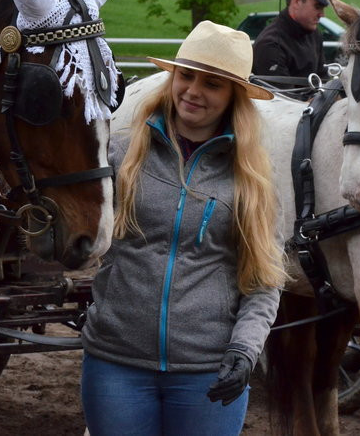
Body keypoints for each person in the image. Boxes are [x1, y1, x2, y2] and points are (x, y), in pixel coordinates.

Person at [81, 21, 286, 435]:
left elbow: (264, 280)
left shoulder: (250, 178)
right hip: (115, 366)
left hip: (205, 372)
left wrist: (245, 349)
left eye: (212, 84)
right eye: (185, 76)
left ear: (233, 97)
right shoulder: (121, 152)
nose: (192, 91)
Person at [252, 0, 331, 78]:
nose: (322, 14)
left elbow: (324, 80)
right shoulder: (270, 45)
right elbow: (284, 95)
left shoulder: (315, 34)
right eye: (318, 7)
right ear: (297, 1)